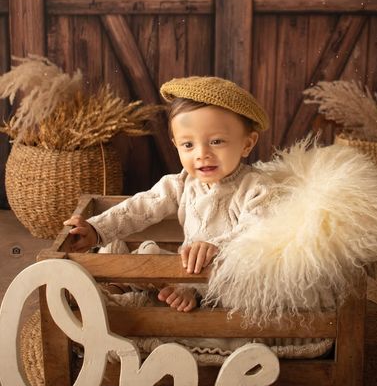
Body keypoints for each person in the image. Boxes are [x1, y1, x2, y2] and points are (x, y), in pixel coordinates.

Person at [64, 76, 275, 313]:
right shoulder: (184, 182)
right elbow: (140, 208)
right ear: (175, 144)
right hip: (185, 269)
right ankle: (122, 288)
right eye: (188, 145)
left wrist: (216, 247)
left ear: (247, 143)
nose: (201, 154)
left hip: (226, 281)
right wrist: (96, 230)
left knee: (188, 280)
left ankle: (175, 294)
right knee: (147, 252)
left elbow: (258, 231)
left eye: (216, 141)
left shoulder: (255, 188)